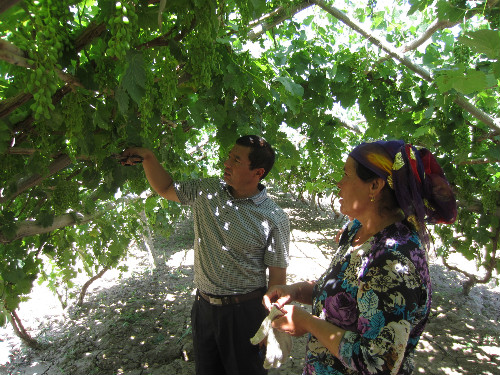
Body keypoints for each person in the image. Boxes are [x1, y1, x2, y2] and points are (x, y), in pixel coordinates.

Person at [263, 140, 457, 375]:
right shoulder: (357, 232)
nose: (339, 183)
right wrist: (295, 291)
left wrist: (307, 322)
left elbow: (378, 363)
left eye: (347, 175)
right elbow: (345, 295)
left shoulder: (393, 262)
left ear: (374, 186)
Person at [121, 135, 290, 375]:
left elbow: (277, 279)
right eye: (229, 156)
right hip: (204, 310)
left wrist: (271, 322)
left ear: (258, 172)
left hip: (244, 313)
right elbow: (166, 188)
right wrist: (148, 157)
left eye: (236, 160)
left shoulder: (274, 217)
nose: (227, 163)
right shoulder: (207, 191)